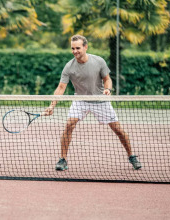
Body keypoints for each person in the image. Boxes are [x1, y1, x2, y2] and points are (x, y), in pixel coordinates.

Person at [44, 35, 141, 171]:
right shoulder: (69, 67)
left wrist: (107, 89)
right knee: (69, 125)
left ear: (85, 47)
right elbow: (61, 88)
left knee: (117, 129)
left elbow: (107, 79)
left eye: (78, 48)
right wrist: (51, 106)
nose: (75, 51)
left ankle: (132, 156)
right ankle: (62, 159)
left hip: (100, 100)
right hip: (80, 100)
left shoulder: (98, 61)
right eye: (72, 48)